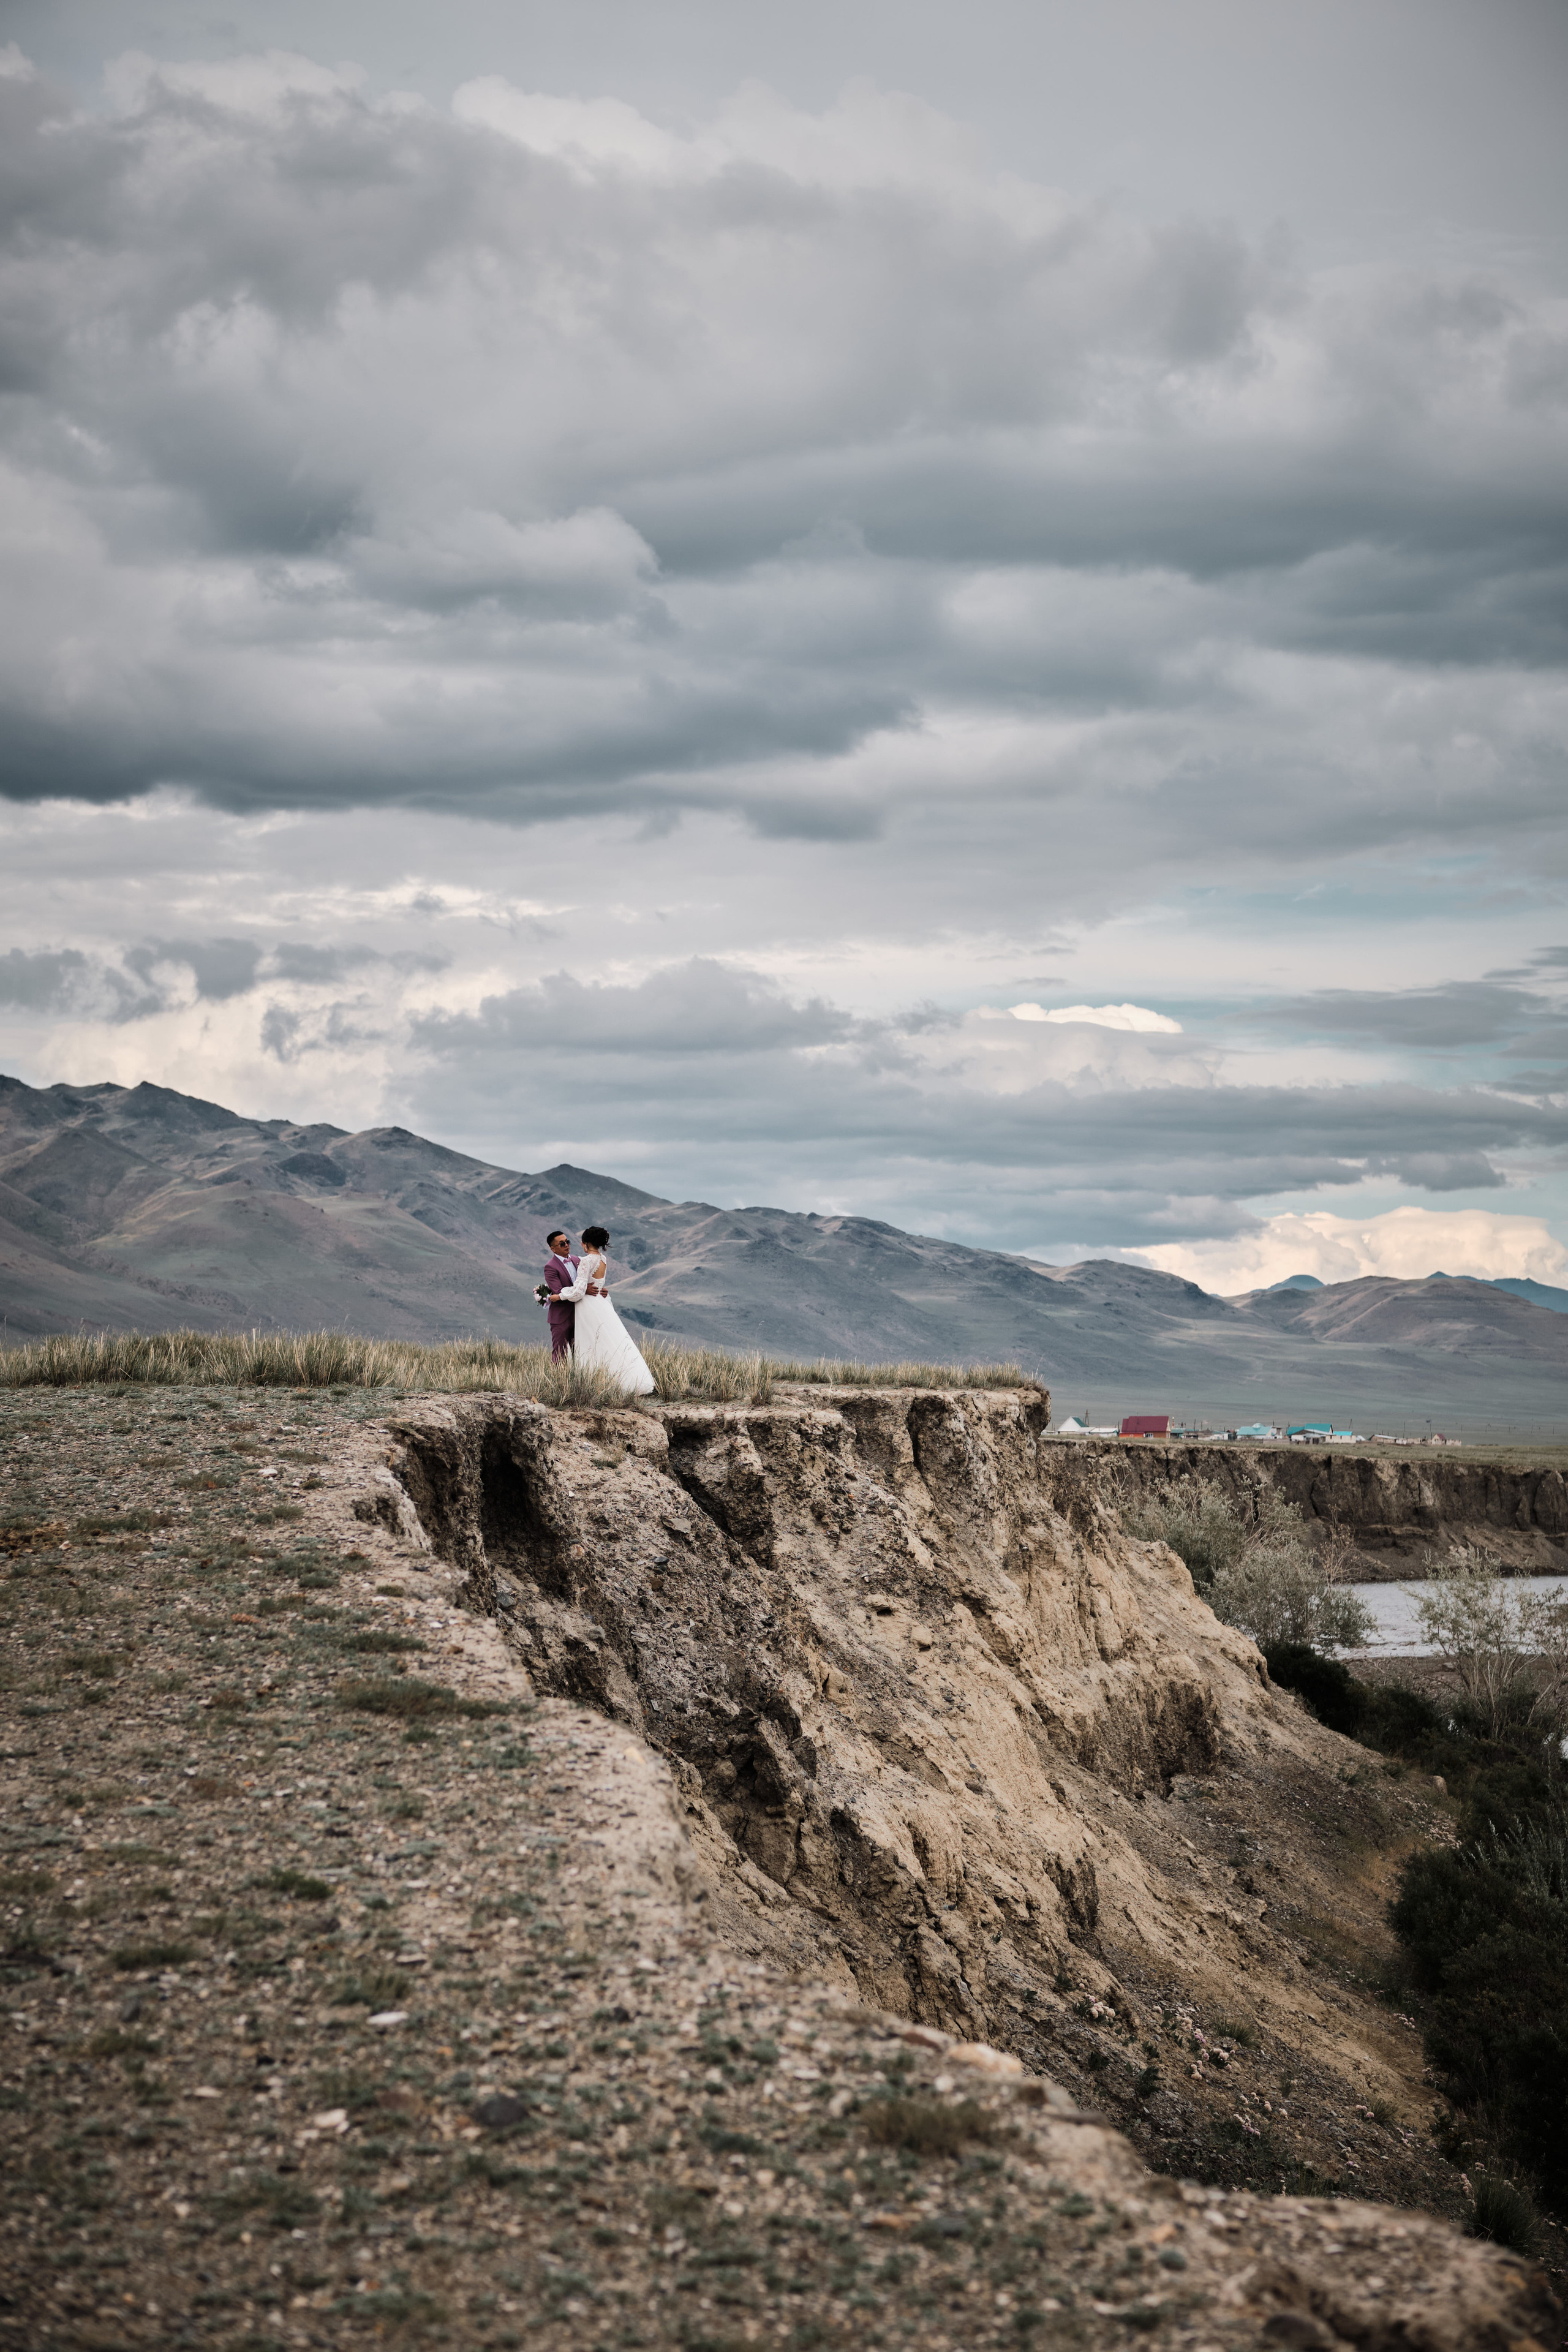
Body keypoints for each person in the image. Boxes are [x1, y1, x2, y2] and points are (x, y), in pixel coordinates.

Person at [558, 1225, 655, 1395]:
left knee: (590, 1342)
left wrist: (560, 1294)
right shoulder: (603, 1259)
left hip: (588, 1305)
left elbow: (578, 1292)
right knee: (608, 1341)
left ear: (586, 1244)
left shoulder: (586, 1261)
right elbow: (598, 1284)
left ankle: (594, 1383)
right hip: (601, 1303)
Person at [540, 1230, 579, 1363]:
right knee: (560, 1353)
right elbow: (558, 1291)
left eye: (567, 1242)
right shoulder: (550, 1267)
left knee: (580, 1351)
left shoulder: (577, 1260)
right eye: (562, 1244)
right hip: (561, 1317)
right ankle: (559, 1381)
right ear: (553, 1248)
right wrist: (584, 1290)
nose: (567, 1245)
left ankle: (580, 1380)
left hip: (580, 1315)